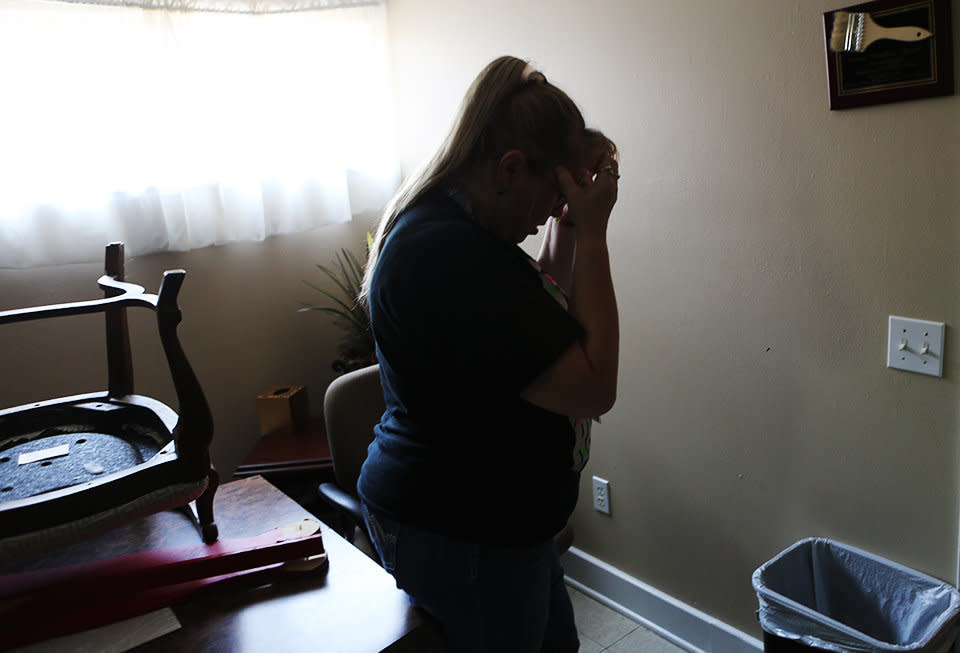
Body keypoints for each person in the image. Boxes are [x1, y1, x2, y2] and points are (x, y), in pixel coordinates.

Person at [356, 55, 620, 653]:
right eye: (551, 194)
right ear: (509, 169)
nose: (548, 215)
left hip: (499, 519)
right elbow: (594, 383)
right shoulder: (450, 257)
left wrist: (572, 221)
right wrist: (596, 232)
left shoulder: (458, 220)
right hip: (460, 529)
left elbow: (537, 315)